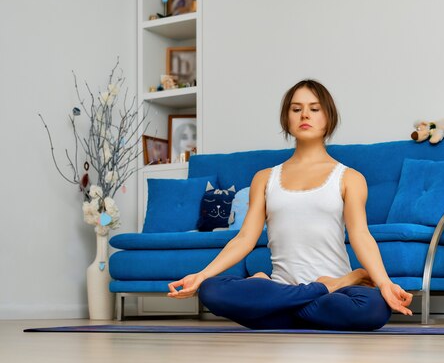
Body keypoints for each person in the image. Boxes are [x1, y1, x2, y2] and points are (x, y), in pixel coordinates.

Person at [168, 80, 413, 330]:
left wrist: (384, 283)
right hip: (295, 287)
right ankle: (324, 287)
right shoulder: (264, 178)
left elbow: (361, 235)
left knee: (373, 309)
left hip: (329, 295)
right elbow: (244, 238)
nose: (305, 114)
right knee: (211, 290)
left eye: (314, 109)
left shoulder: (350, 178)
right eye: (296, 109)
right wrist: (202, 275)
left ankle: (282, 307)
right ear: (287, 118)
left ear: (329, 117)